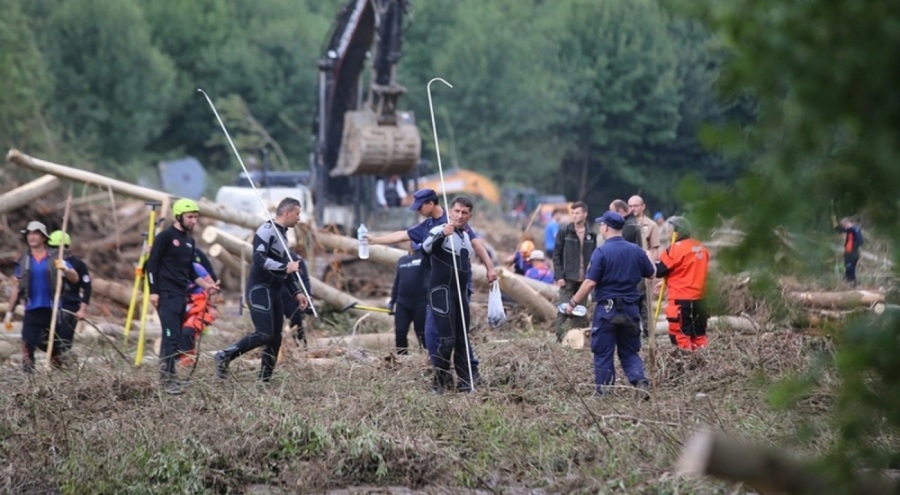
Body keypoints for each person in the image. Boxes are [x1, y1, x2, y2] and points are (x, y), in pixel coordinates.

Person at [365, 189, 497, 383]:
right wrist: (375, 240)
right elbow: (405, 235)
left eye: (420, 206)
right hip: (437, 287)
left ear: (430, 204)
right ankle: (442, 373)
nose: (417, 210)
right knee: (435, 334)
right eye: (458, 212)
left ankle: (469, 373)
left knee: (456, 333)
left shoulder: (455, 220)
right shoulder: (429, 225)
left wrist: (490, 267)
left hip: (458, 285)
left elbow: (476, 243)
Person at [215, 198, 309, 383]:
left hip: (275, 291)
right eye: (297, 213)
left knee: (276, 338)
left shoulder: (283, 235)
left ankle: (265, 381)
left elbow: (286, 268)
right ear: (287, 213)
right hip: (260, 290)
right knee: (264, 334)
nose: (299, 218)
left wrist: (296, 292)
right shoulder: (266, 231)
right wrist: (285, 268)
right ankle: (224, 355)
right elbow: (258, 259)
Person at [564, 211, 656, 397]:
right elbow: (652, 273)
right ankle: (640, 383)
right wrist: (648, 256)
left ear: (605, 227)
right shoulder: (636, 251)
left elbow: (590, 282)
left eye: (602, 225)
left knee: (603, 351)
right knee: (630, 351)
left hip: (607, 309)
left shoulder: (601, 252)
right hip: (631, 308)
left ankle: (605, 390)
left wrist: (572, 303)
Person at [145, 199, 218, 394]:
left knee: (174, 337)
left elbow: (190, 272)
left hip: (180, 295)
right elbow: (150, 265)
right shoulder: (166, 237)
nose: (194, 220)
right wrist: (153, 291)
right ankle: (167, 381)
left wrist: (207, 286)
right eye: (190, 217)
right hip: (165, 295)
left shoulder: (189, 241)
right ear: (179, 217)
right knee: (171, 337)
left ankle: (169, 377)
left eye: (195, 217)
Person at [422, 195, 481, 394]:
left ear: (469, 216)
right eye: (456, 211)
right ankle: (438, 383)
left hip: (460, 294)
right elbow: (426, 249)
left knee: (462, 339)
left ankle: (466, 382)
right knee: (446, 340)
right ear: (450, 212)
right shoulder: (440, 230)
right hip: (441, 293)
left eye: (464, 213)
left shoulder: (465, 238)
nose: (460, 216)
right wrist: (441, 235)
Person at [5, 221, 79, 372]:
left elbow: (75, 278)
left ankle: (58, 374)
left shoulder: (55, 257)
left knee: (56, 346)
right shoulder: (23, 259)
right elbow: (17, 286)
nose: (32, 237)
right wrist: (9, 312)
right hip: (32, 308)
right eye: (29, 234)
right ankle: (28, 379)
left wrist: (65, 269)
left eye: (36, 234)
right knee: (28, 343)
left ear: (43, 237)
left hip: (53, 308)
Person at [655, 216, 710, 351]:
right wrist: (666, 283)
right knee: (699, 336)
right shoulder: (701, 247)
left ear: (677, 232)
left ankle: (687, 369)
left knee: (680, 337)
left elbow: (659, 270)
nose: (667, 233)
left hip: (681, 300)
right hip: (700, 299)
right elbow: (688, 270)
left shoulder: (674, 250)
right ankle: (704, 366)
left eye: (669, 230)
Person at [552, 201, 598, 342]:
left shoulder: (591, 234)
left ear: (585, 214)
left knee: (580, 310)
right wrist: (559, 275)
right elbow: (556, 255)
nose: (575, 216)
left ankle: (575, 339)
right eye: (573, 213)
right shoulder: (564, 232)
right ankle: (560, 338)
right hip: (567, 277)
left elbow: (594, 257)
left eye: (578, 213)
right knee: (564, 309)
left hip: (584, 278)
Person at [48, 230, 92, 364]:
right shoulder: (48, 263)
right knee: (49, 339)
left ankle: (63, 366)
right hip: (51, 305)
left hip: (70, 306)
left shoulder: (78, 264)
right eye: (52, 248)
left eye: (57, 248)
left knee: (65, 341)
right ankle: (52, 362)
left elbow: (87, 286)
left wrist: (82, 309)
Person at [389, 244, 428, 354]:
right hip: (402, 303)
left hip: (421, 303)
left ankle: (427, 358)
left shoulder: (425, 258)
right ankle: (402, 359)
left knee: (422, 333)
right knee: (400, 333)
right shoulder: (402, 260)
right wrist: (392, 301)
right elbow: (397, 282)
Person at [281, 252, 312, 348]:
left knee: (297, 325)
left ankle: (302, 348)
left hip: (290, 297)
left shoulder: (295, 258)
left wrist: (309, 297)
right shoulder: (267, 258)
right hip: (273, 296)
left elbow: (305, 279)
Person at [833, 216, 864, 286]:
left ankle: (853, 283)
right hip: (848, 252)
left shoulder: (856, 230)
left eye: (845, 225)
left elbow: (861, 242)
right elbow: (840, 230)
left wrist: (853, 245)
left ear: (847, 223)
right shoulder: (849, 230)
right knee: (848, 266)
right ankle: (849, 281)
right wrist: (835, 223)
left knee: (850, 267)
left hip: (853, 252)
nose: (845, 227)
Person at [628, 195, 661, 261]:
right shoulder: (624, 224)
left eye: (635, 206)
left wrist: (651, 265)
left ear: (643, 206)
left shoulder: (652, 225)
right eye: (630, 206)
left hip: (643, 262)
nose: (632, 209)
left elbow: (654, 249)